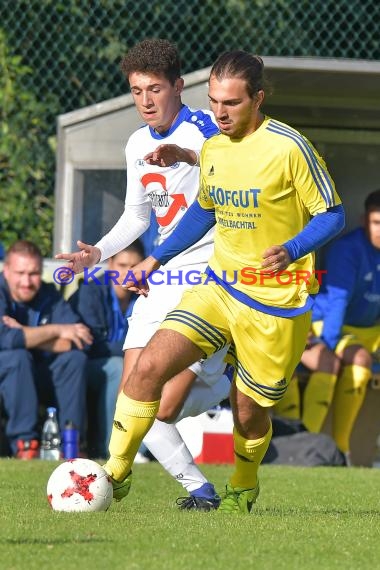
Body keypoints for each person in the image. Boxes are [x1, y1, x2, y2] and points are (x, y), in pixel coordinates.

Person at [98, 49, 344, 514]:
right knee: (147, 369)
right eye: (213, 102)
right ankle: (113, 472)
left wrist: (292, 249)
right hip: (219, 288)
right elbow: (204, 212)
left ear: (258, 99)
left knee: (250, 415)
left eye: (230, 103)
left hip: (274, 303)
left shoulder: (289, 147)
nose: (219, 113)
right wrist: (155, 258)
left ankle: (243, 484)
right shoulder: (212, 148)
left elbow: (332, 214)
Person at [56, 38, 231, 510]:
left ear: (178, 85)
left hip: (206, 279)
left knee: (161, 406)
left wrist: (187, 156)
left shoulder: (206, 131)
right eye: (136, 91)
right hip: (159, 278)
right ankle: (199, 490)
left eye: (155, 88)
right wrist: (96, 253)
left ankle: (219, 380)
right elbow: (137, 218)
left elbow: (226, 175)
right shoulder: (135, 142)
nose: (146, 101)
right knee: (133, 400)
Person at [292, 189, 380, 465]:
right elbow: (336, 305)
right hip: (331, 325)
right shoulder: (348, 249)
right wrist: (326, 350)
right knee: (359, 359)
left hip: (369, 331)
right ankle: (334, 449)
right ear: (364, 220)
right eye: (378, 223)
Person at [0, 240, 92, 458]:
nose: (26, 281)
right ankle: (25, 444)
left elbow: (80, 340)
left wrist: (22, 332)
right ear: (6, 272)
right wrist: (58, 329)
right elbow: (4, 338)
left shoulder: (49, 295)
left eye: (33, 274)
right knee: (17, 357)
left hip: (39, 374)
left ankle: (71, 446)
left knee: (74, 359)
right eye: (20, 272)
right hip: (8, 376)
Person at [69, 241, 144, 458]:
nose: (127, 272)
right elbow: (93, 345)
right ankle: (112, 448)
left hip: (128, 363)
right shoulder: (90, 291)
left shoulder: (145, 294)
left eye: (134, 266)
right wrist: (137, 353)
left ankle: (146, 449)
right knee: (118, 367)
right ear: (110, 264)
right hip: (90, 367)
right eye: (122, 265)